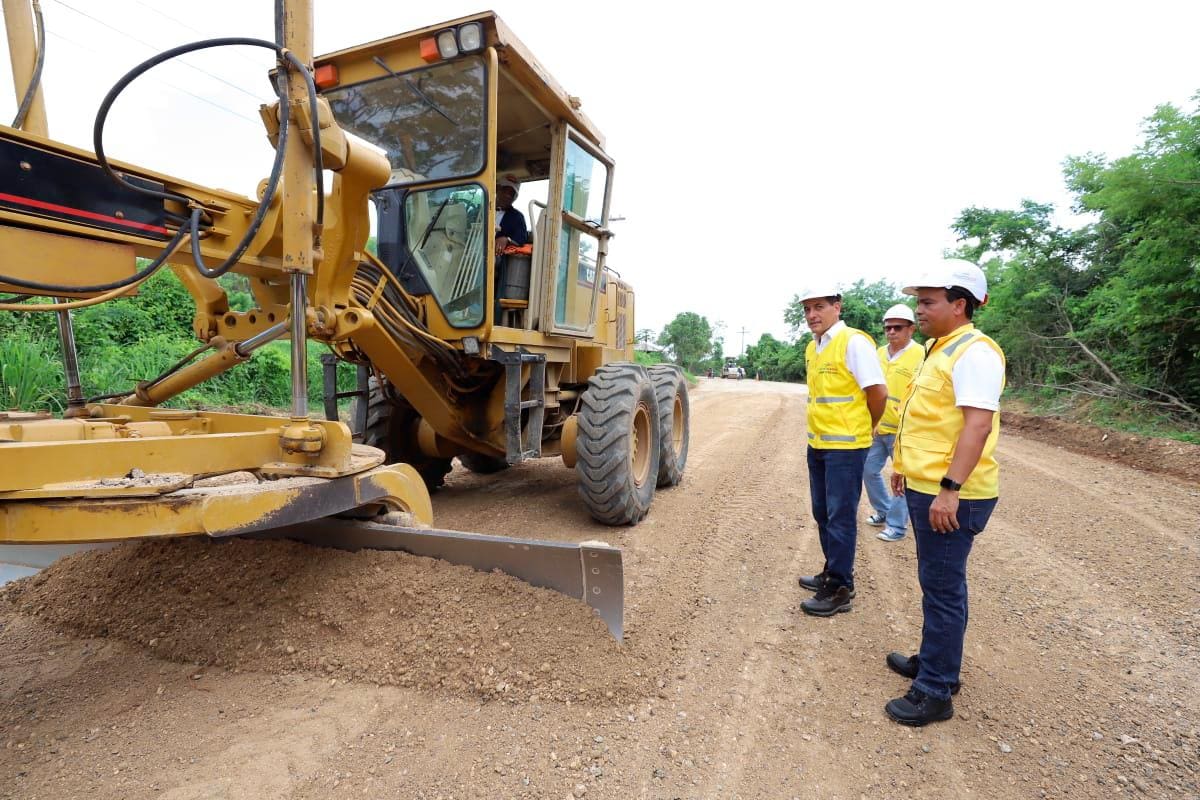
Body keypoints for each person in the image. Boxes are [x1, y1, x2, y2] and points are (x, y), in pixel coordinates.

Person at [884, 259, 1005, 726]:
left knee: (943, 588)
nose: (919, 310)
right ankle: (934, 662)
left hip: (955, 494)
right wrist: (904, 466)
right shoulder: (942, 348)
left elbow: (977, 426)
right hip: (927, 485)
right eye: (919, 300)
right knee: (935, 583)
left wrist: (950, 490)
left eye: (928, 301)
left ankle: (936, 689)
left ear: (960, 304)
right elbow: (928, 418)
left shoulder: (973, 352)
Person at [796, 286, 888, 617]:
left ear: (837, 306)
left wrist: (868, 426)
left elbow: (878, 392)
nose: (811, 315)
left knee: (840, 517)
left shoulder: (854, 342)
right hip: (819, 444)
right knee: (823, 513)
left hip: (846, 449)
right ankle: (831, 570)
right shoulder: (814, 347)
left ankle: (840, 587)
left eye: (819, 307)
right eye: (806, 309)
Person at [864, 303, 924, 542]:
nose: (891, 332)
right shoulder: (878, 354)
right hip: (879, 428)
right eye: (888, 328)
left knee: (902, 480)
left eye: (897, 327)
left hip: (905, 431)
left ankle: (897, 527)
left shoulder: (922, 355)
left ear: (911, 329)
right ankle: (883, 511)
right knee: (868, 471)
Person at [495, 175, 528, 257]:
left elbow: (521, 239)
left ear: (514, 198)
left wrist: (507, 240)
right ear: (497, 189)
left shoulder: (517, 217)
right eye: (505, 190)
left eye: (511, 194)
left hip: (498, 260)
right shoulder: (481, 210)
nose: (507, 196)